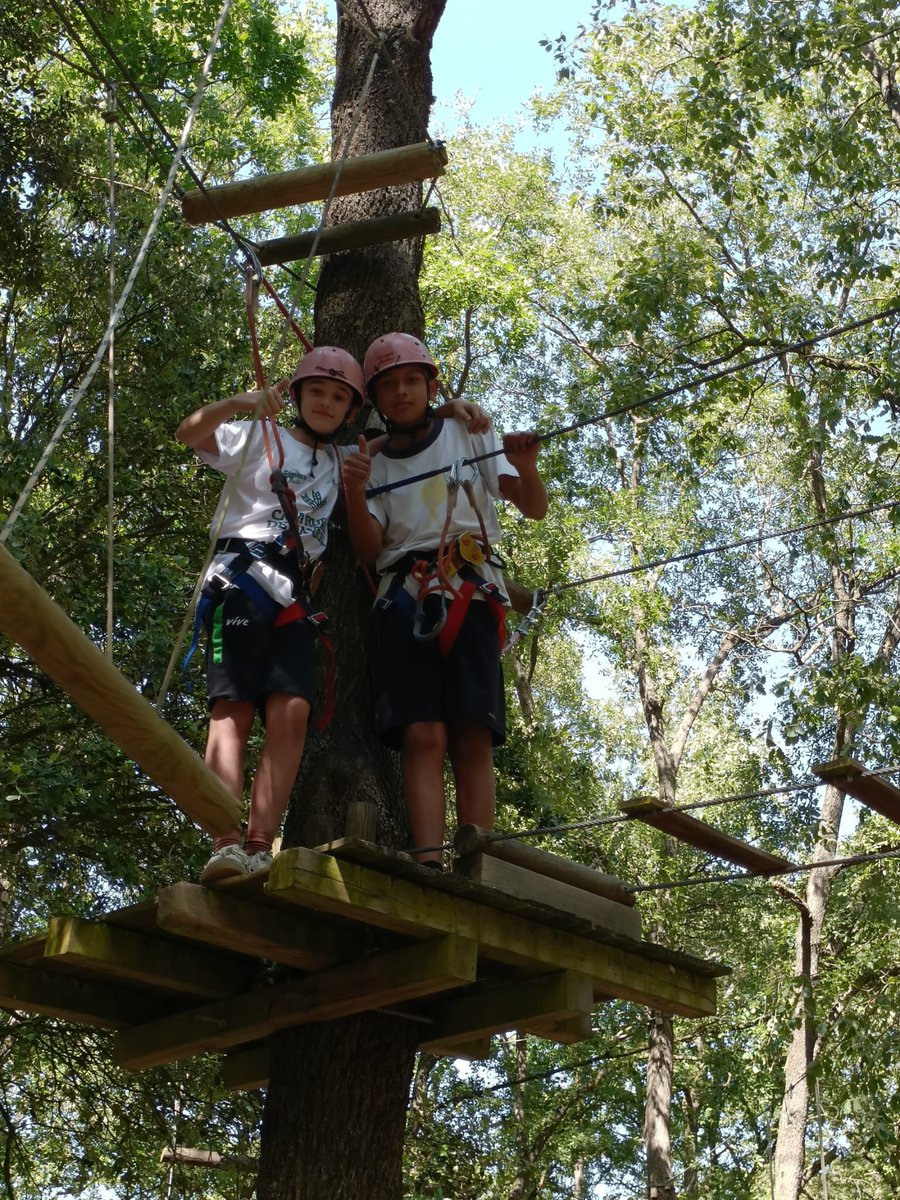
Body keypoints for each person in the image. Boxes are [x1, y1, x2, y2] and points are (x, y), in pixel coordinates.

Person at [178, 345, 491, 884]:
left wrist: (449, 409)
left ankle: (258, 844)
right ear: (296, 395)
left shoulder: (346, 459)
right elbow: (189, 433)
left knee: (293, 712)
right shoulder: (261, 437)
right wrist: (242, 402)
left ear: (352, 412)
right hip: (242, 581)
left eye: (340, 397)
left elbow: (402, 429)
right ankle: (223, 840)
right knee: (232, 710)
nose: (326, 403)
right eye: (316, 391)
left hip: (297, 595)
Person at [342, 332, 548, 868]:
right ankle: (429, 860)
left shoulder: (466, 430)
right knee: (423, 734)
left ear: (432, 385)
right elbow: (367, 549)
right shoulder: (374, 463)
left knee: (472, 734)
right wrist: (355, 491)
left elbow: (530, 506)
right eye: (389, 386)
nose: (402, 392)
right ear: (376, 400)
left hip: (471, 588)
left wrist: (526, 467)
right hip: (405, 596)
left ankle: (479, 862)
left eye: (413, 380)